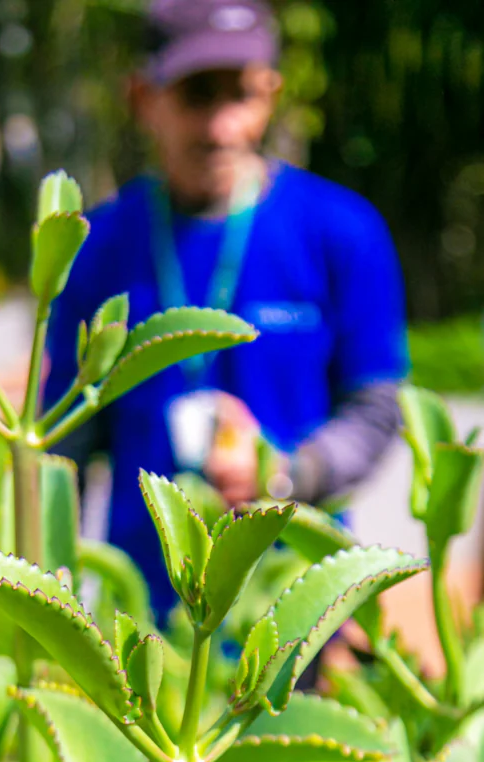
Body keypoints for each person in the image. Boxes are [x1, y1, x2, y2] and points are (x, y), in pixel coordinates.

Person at [43, 0, 409, 627]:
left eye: (240, 94)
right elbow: (62, 445)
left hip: (299, 609)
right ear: (142, 98)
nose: (221, 127)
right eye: (196, 95)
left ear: (271, 94)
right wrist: (52, 598)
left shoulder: (341, 230)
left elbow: (376, 407)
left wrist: (289, 475)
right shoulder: (95, 246)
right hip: (145, 616)